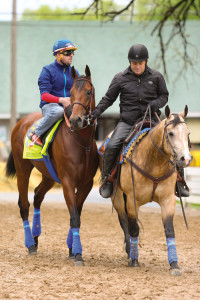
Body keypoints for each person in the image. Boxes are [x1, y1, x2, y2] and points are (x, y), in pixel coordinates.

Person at [91, 44, 189, 198]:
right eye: (134, 63)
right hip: (128, 122)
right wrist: (95, 112)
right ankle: (107, 180)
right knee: (112, 145)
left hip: (152, 120)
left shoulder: (156, 76)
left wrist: (155, 103)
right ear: (129, 62)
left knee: (173, 140)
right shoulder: (119, 78)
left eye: (140, 63)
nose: (137, 66)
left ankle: (180, 182)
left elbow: (164, 96)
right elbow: (108, 99)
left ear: (146, 61)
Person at [30, 39, 79, 146]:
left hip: (70, 106)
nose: (71, 55)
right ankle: (35, 133)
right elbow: (44, 96)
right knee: (58, 111)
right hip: (50, 107)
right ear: (58, 55)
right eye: (67, 53)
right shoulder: (47, 70)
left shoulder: (74, 72)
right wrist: (61, 100)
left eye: (72, 53)